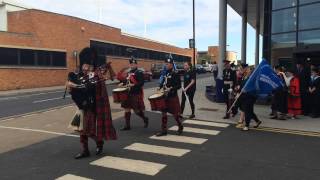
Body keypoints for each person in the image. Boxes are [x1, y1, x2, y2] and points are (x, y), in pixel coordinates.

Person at [67, 47, 117, 159]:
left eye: (87, 66)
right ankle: (85, 151)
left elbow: (90, 87)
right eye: (84, 65)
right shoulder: (79, 74)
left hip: (93, 106)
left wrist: (76, 86)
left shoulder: (96, 76)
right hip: (81, 106)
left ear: (91, 66)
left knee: (88, 131)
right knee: (81, 130)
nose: (85, 67)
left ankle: (99, 142)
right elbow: (74, 88)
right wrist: (70, 86)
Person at [156, 57, 183, 136]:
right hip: (165, 96)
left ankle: (180, 125)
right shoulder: (166, 73)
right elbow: (164, 82)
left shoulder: (175, 73)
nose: (166, 65)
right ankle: (164, 130)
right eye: (165, 64)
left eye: (167, 64)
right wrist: (159, 87)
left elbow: (179, 86)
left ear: (171, 64)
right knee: (163, 113)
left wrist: (171, 89)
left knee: (175, 114)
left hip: (172, 96)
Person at [120, 57, 149, 130]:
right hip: (128, 93)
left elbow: (141, 83)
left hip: (136, 93)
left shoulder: (139, 72)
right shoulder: (129, 73)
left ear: (136, 64)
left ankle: (145, 118)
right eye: (131, 64)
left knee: (137, 111)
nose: (132, 65)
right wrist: (122, 83)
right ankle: (127, 126)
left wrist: (134, 85)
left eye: (133, 64)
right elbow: (127, 81)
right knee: (127, 108)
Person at [239, 66, 262, 131]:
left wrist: (247, 91)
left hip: (250, 97)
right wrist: (239, 89)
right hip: (244, 96)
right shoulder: (245, 77)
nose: (246, 71)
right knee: (250, 111)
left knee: (247, 111)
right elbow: (242, 86)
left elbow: (255, 88)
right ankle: (257, 121)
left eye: (248, 70)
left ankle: (247, 125)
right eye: (246, 70)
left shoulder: (253, 79)